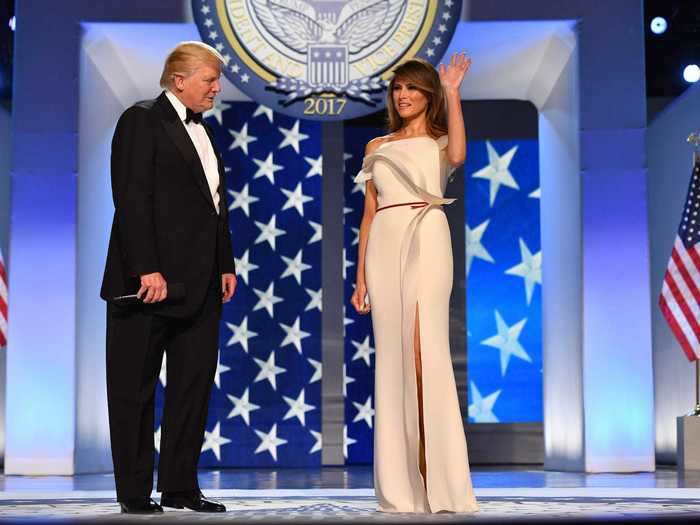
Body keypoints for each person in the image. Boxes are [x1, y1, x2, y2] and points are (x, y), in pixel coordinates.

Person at [100, 41, 237, 514]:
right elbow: (132, 197)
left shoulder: (206, 133)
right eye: (209, 80)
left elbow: (214, 205)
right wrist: (146, 267)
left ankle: (180, 487)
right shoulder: (141, 119)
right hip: (148, 284)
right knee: (133, 389)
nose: (216, 88)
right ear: (179, 80)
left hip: (200, 284)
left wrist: (225, 263)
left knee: (193, 388)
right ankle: (135, 493)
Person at [351, 54, 478, 513]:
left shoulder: (439, 141)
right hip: (384, 243)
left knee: (427, 352)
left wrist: (454, 91)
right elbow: (368, 215)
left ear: (429, 95)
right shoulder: (375, 146)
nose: (403, 96)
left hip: (427, 235)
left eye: (412, 89)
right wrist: (359, 274)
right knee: (394, 359)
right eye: (397, 88)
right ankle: (401, 487)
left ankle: (441, 482)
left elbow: (460, 156)